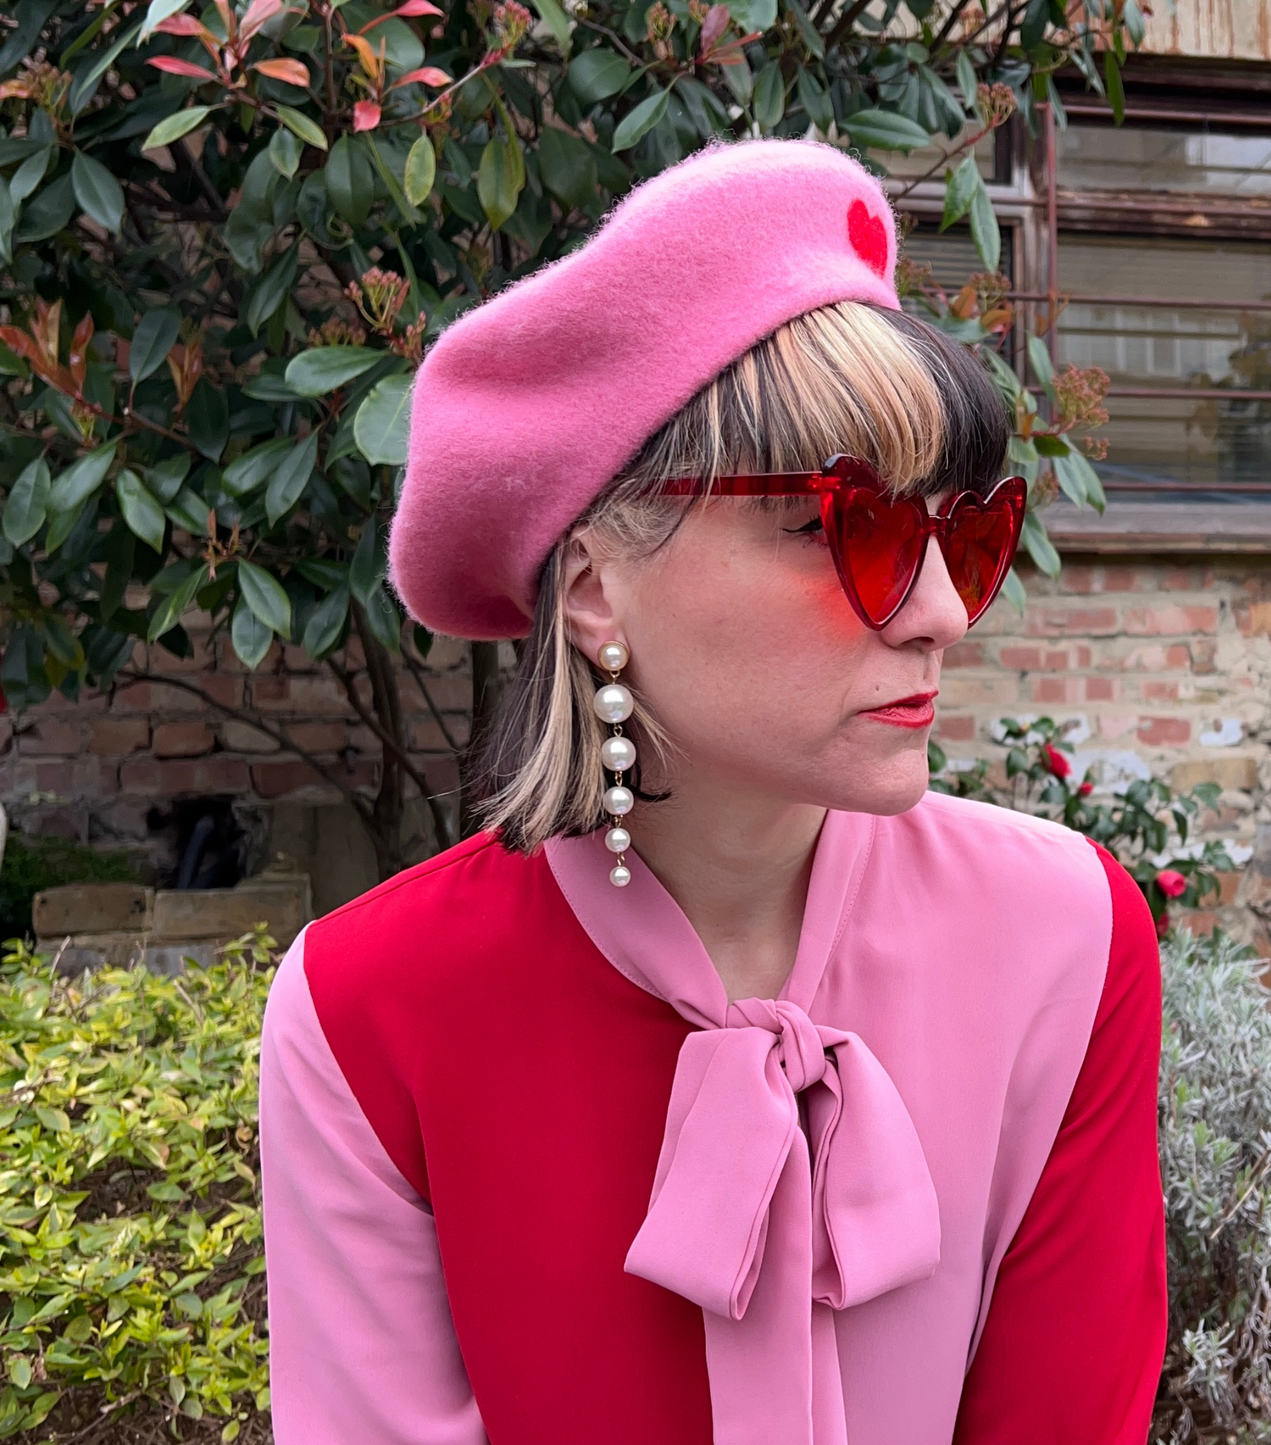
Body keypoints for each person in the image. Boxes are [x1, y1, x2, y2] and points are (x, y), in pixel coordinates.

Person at [259, 138, 1167, 1445]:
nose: (939, 613)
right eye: (842, 523)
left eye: (961, 532)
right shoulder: (367, 1011)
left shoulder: (1064, 938)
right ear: (595, 588)